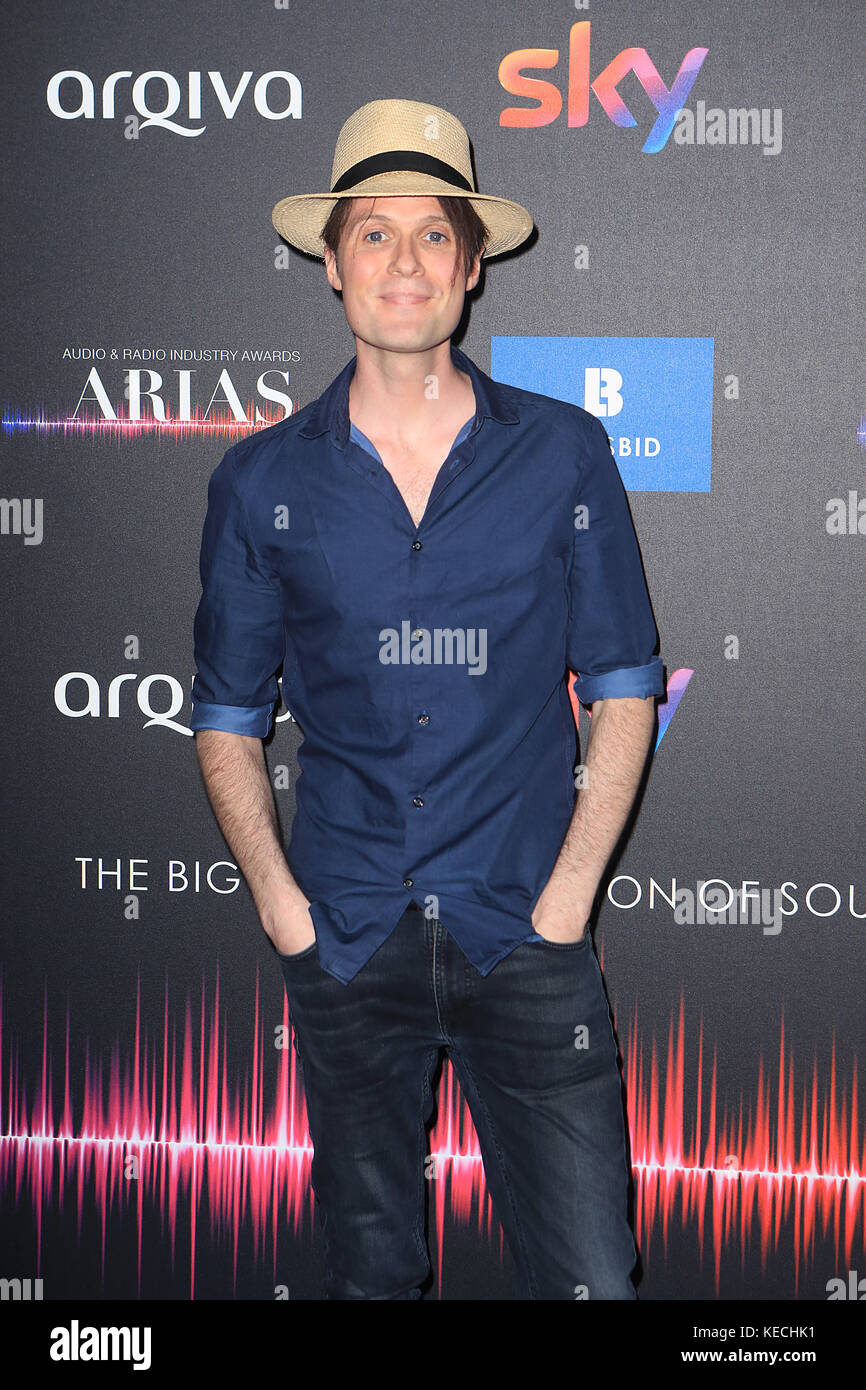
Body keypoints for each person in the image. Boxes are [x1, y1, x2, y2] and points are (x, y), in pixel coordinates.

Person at [190, 98, 665, 1300]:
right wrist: (285, 913)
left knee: (595, 1282)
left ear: (468, 264)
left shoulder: (562, 454)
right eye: (372, 233)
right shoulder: (259, 483)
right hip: (345, 942)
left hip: (528, 936)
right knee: (368, 1284)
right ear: (332, 263)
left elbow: (622, 682)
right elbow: (228, 717)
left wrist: (566, 902)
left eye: (432, 235)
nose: (403, 262)